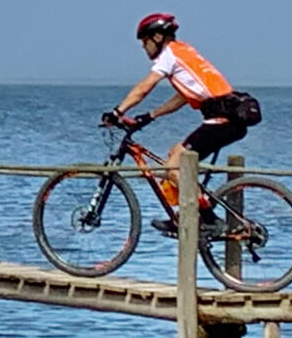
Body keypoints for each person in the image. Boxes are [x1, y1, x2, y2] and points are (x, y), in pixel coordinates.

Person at [101, 12, 255, 235]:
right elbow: (182, 97)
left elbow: (145, 87)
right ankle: (188, 214)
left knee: (173, 166)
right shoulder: (184, 52)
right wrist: (151, 115)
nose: (144, 48)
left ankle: (207, 218)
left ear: (156, 38)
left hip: (222, 120)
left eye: (144, 42)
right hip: (226, 120)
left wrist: (118, 112)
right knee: (175, 154)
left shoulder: (169, 54)